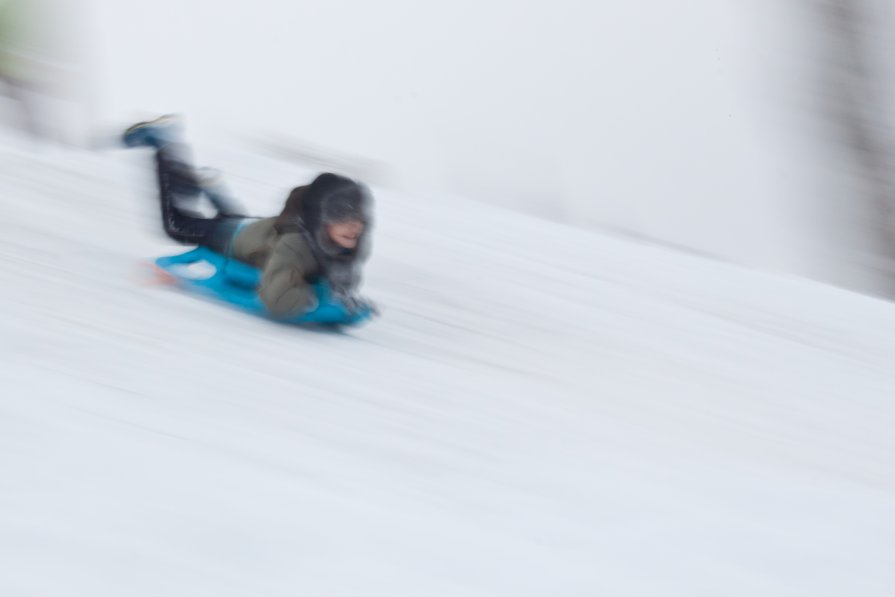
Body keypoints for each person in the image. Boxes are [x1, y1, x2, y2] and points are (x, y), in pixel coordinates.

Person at [123, 115, 373, 319]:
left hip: (254, 232)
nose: (354, 227)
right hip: (230, 238)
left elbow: (340, 282)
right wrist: (314, 299)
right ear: (323, 219)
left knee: (241, 226)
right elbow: (276, 300)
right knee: (176, 225)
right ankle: (163, 145)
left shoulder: (340, 242)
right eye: (343, 217)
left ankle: (212, 189)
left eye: (358, 219)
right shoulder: (296, 246)